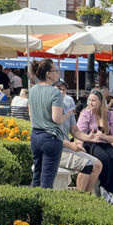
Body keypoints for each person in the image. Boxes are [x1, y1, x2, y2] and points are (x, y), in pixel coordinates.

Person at [77, 89, 113, 202]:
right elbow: (79, 133)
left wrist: (103, 136)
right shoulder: (86, 114)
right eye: (90, 100)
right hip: (90, 143)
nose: (91, 103)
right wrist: (80, 147)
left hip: (105, 143)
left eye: (94, 100)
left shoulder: (109, 115)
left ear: (101, 102)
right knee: (104, 159)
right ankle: (104, 187)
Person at [29, 59, 72, 188]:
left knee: (37, 176)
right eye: (55, 71)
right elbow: (57, 119)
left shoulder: (33, 89)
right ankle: (42, 207)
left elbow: (31, 114)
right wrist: (69, 113)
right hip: (51, 138)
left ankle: (31, 205)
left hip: (35, 136)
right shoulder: (55, 92)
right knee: (47, 180)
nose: (57, 74)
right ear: (48, 74)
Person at [53, 81, 103, 194]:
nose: (61, 92)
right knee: (88, 164)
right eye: (58, 89)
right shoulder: (49, 107)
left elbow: (75, 130)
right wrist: (70, 144)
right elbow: (50, 136)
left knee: (98, 165)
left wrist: (89, 137)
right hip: (55, 149)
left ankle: (87, 196)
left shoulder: (68, 105)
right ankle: (79, 199)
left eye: (64, 90)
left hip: (67, 148)